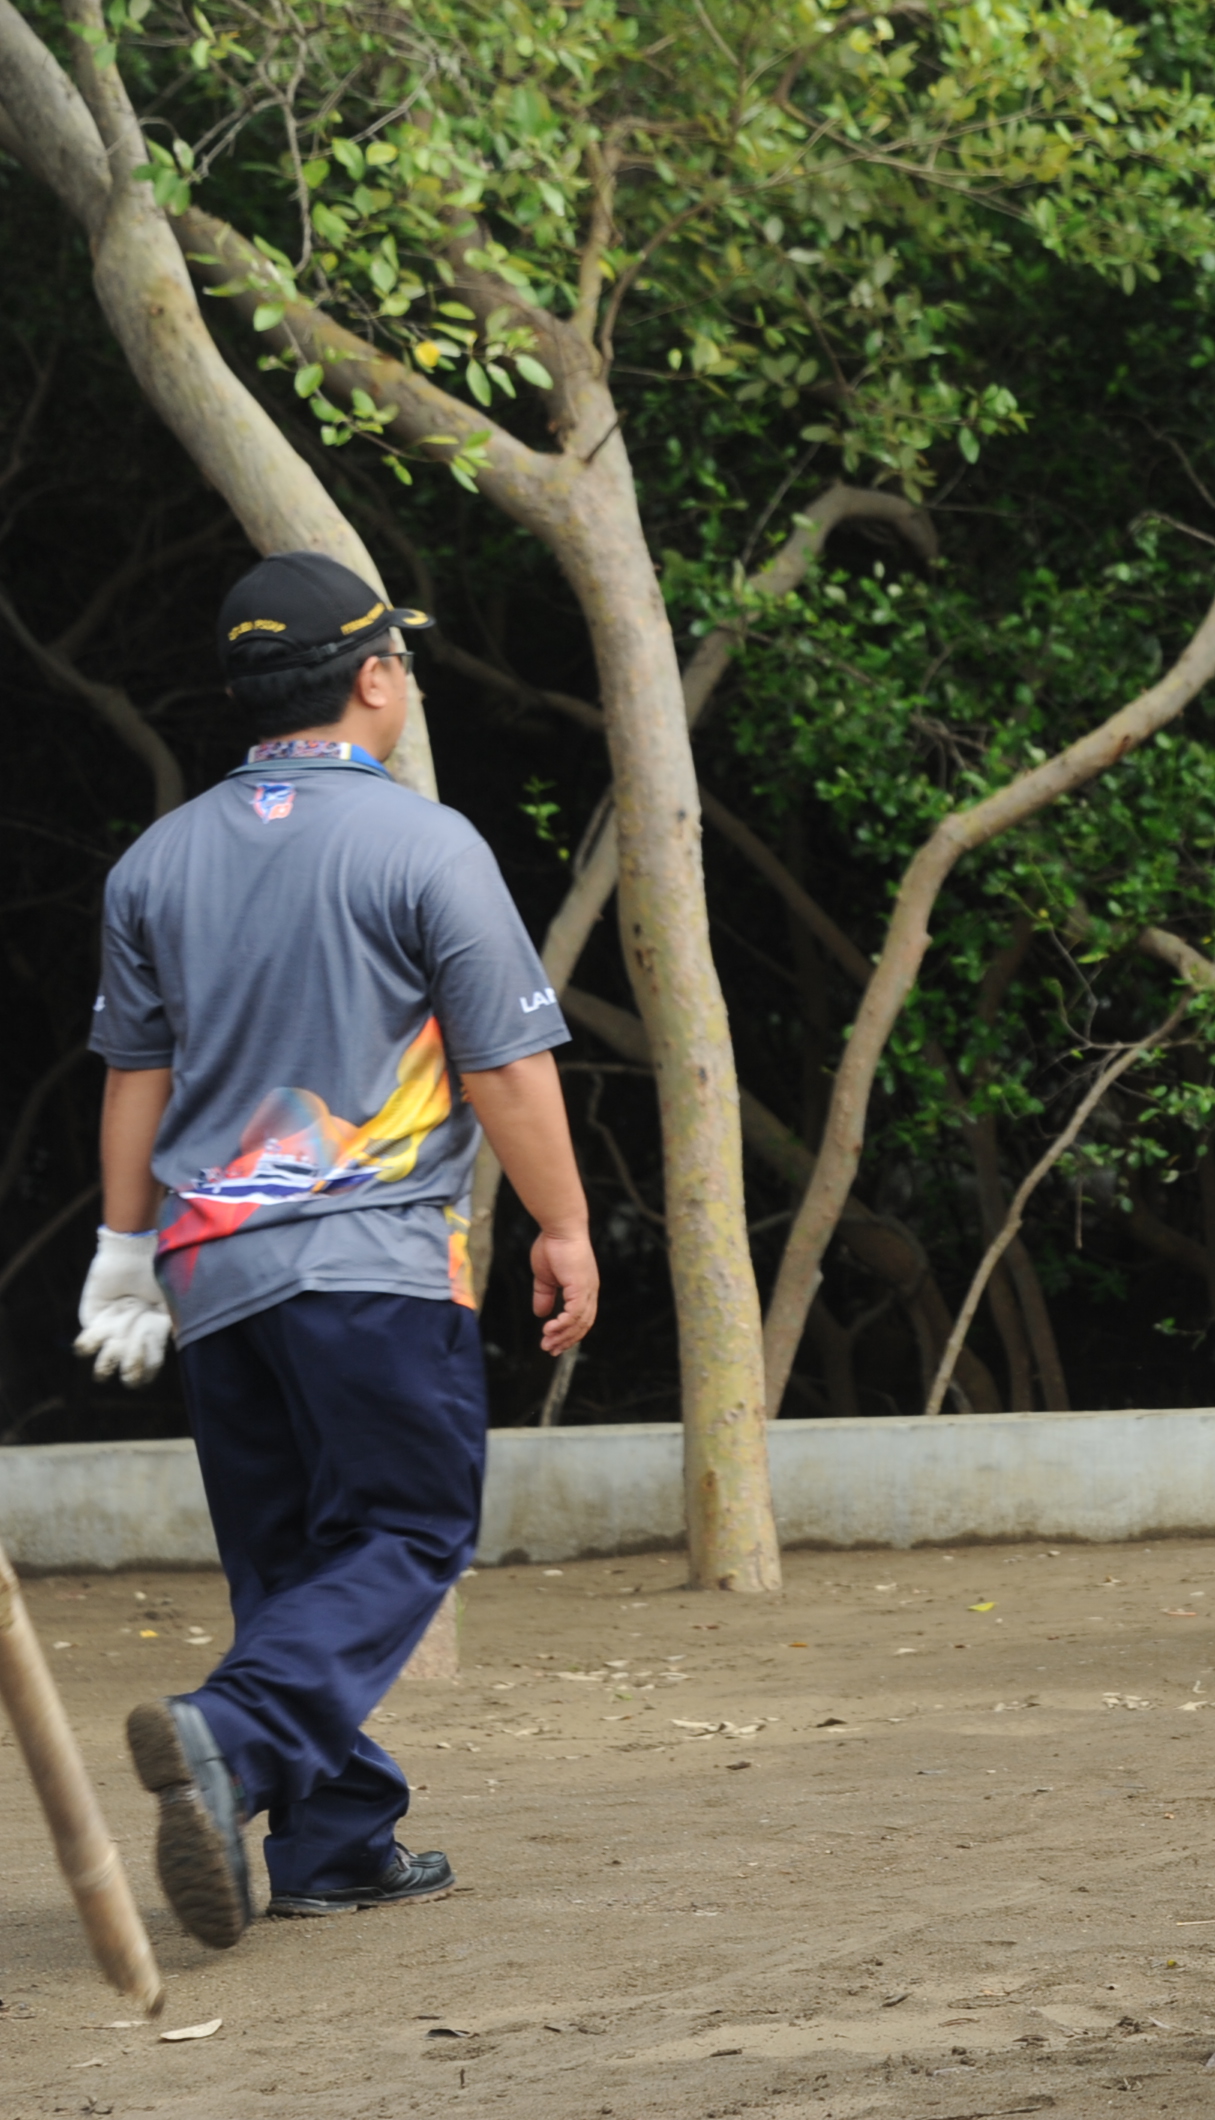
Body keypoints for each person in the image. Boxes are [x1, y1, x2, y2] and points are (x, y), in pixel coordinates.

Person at [75, 551, 599, 1950]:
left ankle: (335, 1839)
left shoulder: (155, 862)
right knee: (408, 1527)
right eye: (403, 663)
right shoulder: (426, 844)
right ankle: (233, 1742)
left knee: (293, 1561)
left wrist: (124, 1251)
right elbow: (501, 1066)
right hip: (370, 1261)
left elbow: (135, 1076)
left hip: (214, 1273)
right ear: (374, 681)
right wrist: (563, 1224)